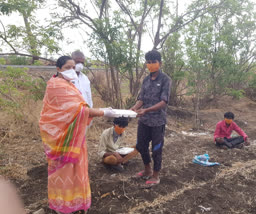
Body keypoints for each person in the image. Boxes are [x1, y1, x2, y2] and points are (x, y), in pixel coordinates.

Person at [39, 56, 116, 214]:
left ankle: (76, 203)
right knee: (63, 170)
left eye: (73, 67)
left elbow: (80, 108)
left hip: (74, 134)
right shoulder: (56, 85)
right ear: (58, 69)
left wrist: (98, 111)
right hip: (60, 137)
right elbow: (79, 110)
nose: (72, 70)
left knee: (77, 168)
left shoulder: (69, 84)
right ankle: (61, 206)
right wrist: (104, 112)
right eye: (67, 67)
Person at [131, 50, 171, 187]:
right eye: (148, 62)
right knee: (141, 145)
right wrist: (134, 108)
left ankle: (155, 175)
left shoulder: (165, 80)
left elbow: (164, 101)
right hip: (144, 120)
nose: (151, 65)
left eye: (153, 62)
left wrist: (147, 110)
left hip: (157, 121)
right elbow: (141, 98)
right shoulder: (146, 80)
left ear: (160, 63)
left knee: (156, 149)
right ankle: (147, 169)